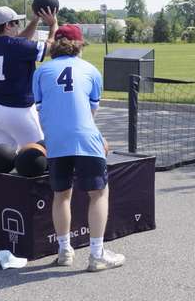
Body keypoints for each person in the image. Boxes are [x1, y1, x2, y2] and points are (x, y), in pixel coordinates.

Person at [32, 24, 124, 272]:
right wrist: (97, 137)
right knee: (99, 193)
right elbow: (89, 112)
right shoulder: (91, 70)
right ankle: (97, 255)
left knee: (61, 195)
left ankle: (64, 251)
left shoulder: (40, 72)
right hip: (85, 138)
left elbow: (43, 111)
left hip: (56, 140)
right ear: (79, 45)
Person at [0, 5, 58, 149]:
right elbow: (51, 47)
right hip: (17, 111)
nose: (18, 26)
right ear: (7, 26)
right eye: (15, 23)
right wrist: (53, 24)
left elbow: (20, 40)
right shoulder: (16, 46)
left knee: (4, 159)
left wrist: (35, 20)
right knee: (39, 153)